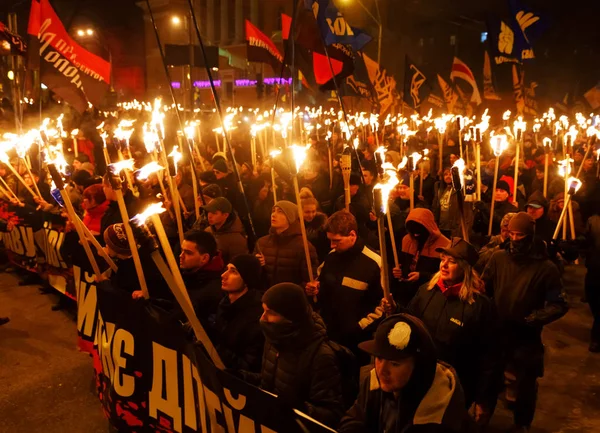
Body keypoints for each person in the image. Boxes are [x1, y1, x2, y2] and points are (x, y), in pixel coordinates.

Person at [386, 238, 498, 424]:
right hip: (421, 378)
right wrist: (395, 309)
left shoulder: (479, 306)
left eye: (452, 261)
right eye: (443, 259)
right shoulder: (427, 291)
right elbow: (411, 321)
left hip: (455, 387)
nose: (444, 265)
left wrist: (483, 398)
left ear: (465, 268)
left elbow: (489, 356)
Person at [483, 213, 569, 432]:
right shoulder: (498, 258)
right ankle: (483, 415)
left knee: (525, 385)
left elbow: (559, 303)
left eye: (519, 234)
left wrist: (535, 318)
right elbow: (485, 288)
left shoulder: (545, 268)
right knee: (490, 378)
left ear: (529, 236)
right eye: (511, 233)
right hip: (497, 331)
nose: (514, 239)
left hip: (525, 336)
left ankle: (522, 423)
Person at [338, 314, 468, 433]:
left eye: (395, 364)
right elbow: (355, 417)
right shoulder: (374, 381)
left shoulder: (441, 411)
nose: (382, 370)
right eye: (379, 358)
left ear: (418, 365)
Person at [243, 283, 345, 426]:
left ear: (290, 317)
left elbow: (332, 413)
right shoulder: (274, 338)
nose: (263, 318)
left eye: (271, 312)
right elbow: (272, 380)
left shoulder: (321, 356)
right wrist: (244, 378)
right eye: (263, 310)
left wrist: (299, 408)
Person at [305, 211, 382, 359]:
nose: (332, 245)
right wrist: (314, 290)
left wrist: (357, 328)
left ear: (352, 235)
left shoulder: (374, 263)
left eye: (337, 241)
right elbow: (321, 288)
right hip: (328, 334)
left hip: (356, 340)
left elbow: (382, 306)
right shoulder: (331, 257)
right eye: (330, 240)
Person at [215, 254, 264, 372]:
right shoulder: (225, 304)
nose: (223, 275)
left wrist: (215, 350)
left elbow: (249, 365)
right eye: (226, 269)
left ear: (247, 280)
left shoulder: (256, 316)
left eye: (233, 272)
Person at [254, 200, 318, 289]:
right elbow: (254, 277)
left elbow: (308, 281)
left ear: (290, 217)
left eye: (280, 212)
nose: (273, 215)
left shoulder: (304, 247)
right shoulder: (262, 242)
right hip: (265, 297)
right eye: (273, 211)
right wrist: (256, 264)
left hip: (290, 298)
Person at [393, 208, 450, 305]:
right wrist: (397, 271)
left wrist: (422, 276)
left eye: (419, 230)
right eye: (412, 231)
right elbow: (402, 263)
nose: (415, 234)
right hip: (405, 294)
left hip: (428, 295)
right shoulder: (407, 240)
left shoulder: (445, 245)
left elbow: (445, 276)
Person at [179, 229, 225, 324]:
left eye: (188, 253)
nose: (181, 256)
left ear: (204, 258)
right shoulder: (189, 275)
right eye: (182, 250)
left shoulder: (213, 290)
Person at [203, 197, 248, 264]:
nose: (209, 216)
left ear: (225, 215)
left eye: (214, 213)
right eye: (209, 211)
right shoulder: (208, 231)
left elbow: (237, 265)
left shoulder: (236, 239)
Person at [584, 203, 600, 352]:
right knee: (594, 300)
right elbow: (586, 242)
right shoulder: (593, 221)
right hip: (595, 269)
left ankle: (596, 338)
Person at [302, 197, 330, 262]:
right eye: (307, 212)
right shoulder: (297, 224)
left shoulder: (322, 225)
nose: (311, 215)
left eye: (313, 211)